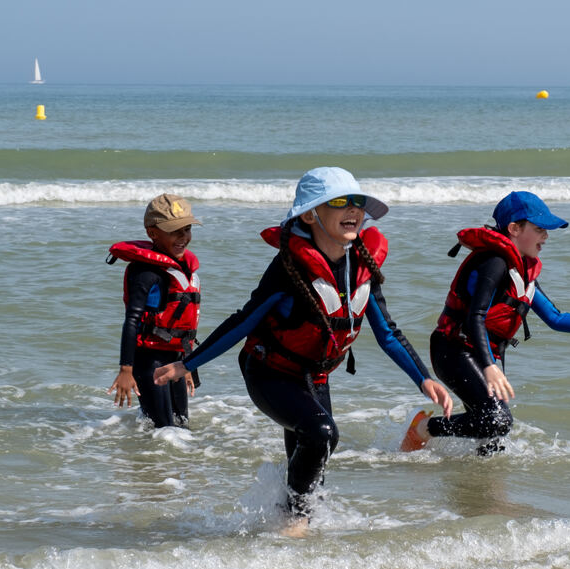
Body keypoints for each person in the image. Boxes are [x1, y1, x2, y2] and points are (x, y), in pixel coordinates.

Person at [153, 167, 451, 533]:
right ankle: (290, 525)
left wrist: (424, 378)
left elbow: (388, 332)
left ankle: (284, 536)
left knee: (316, 462)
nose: (354, 210)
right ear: (310, 215)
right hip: (269, 373)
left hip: (315, 375)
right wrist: (187, 365)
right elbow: (243, 322)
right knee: (323, 432)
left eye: (358, 202)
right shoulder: (288, 268)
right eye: (340, 202)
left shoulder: (362, 267)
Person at [400, 191, 570, 455]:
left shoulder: (522, 272)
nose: (546, 235)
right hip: (454, 351)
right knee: (497, 420)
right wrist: (489, 366)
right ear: (513, 229)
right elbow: (474, 317)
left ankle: (477, 491)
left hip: (477, 354)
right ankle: (423, 429)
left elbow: (556, 318)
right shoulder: (495, 263)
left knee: (493, 440)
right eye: (539, 228)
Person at [107, 194, 202, 428]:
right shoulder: (144, 273)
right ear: (152, 233)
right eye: (175, 231)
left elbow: (184, 325)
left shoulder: (182, 269)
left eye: (187, 229)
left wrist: (188, 364)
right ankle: (145, 465)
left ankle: (176, 466)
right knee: (163, 431)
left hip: (176, 360)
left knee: (181, 426)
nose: (183, 237)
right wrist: (126, 370)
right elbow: (132, 321)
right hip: (149, 361)